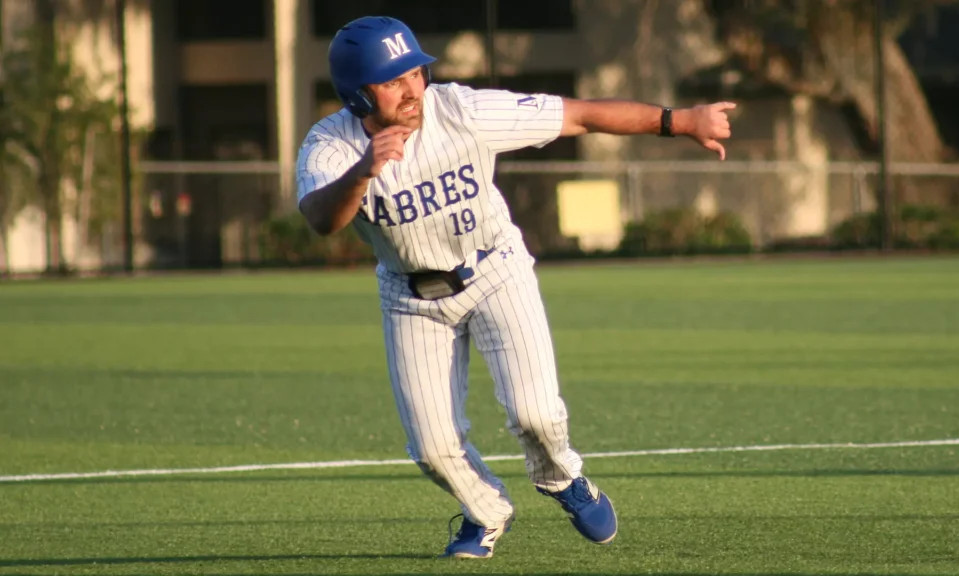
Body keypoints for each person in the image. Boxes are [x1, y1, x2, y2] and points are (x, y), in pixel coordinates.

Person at [296, 16, 735, 559]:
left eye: (415, 72)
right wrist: (362, 171)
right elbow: (320, 219)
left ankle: (562, 478)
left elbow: (579, 116)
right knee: (432, 448)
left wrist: (680, 120)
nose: (412, 90)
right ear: (357, 98)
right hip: (411, 297)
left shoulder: (461, 110)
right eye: (392, 81)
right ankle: (485, 514)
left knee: (535, 415)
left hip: (494, 269)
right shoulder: (330, 145)